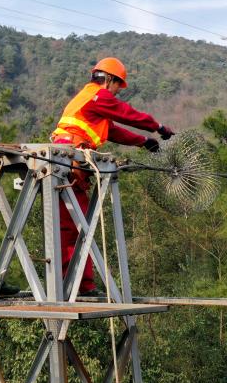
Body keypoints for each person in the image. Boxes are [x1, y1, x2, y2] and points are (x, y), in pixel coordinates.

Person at [51, 57, 175, 295]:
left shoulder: (88, 100)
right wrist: (158, 127)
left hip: (65, 160)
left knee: (71, 226)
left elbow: (113, 130)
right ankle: (81, 285)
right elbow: (127, 114)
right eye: (118, 86)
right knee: (79, 225)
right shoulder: (99, 96)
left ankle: (76, 284)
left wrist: (143, 142)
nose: (118, 92)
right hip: (69, 160)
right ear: (108, 79)